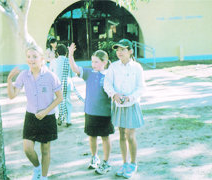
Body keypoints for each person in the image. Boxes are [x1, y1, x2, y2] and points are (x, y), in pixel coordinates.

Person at [7, 45, 63, 180]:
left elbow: (60, 97)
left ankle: (44, 177)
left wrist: (45, 112)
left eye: (34, 57)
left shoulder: (50, 76)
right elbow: (12, 95)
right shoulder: (24, 75)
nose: (31, 60)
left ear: (42, 59)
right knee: (27, 148)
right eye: (28, 57)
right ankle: (37, 167)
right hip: (31, 116)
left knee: (45, 150)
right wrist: (9, 80)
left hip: (47, 117)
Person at [68, 43, 114, 175]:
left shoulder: (110, 75)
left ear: (104, 62)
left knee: (105, 137)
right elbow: (75, 68)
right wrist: (71, 54)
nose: (93, 64)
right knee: (92, 136)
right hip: (90, 112)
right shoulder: (89, 73)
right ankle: (94, 157)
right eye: (92, 61)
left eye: (96, 62)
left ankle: (106, 161)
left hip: (105, 113)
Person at [103, 39, 146, 179]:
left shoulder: (137, 67)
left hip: (132, 105)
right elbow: (107, 84)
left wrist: (130, 98)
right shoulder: (113, 67)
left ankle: (133, 164)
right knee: (121, 134)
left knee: (130, 135)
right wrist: (114, 94)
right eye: (117, 49)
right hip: (118, 105)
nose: (119, 52)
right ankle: (125, 163)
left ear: (130, 51)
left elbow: (141, 87)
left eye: (122, 49)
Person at [49, 44, 73, 127]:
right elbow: (73, 74)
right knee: (67, 101)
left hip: (57, 84)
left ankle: (59, 118)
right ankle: (68, 120)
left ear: (57, 53)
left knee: (58, 101)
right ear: (66, 53)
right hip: (67, 83)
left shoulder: (53, 62)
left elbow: (50, 74)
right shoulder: (69, 61)